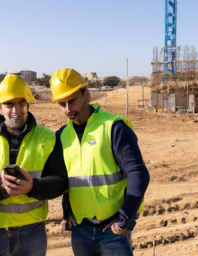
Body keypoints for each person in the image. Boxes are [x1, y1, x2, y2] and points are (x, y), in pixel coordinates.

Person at [50, 68, 150, 256]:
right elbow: (66, 180)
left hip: (112, 232)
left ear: (87, 96)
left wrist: (125, 218)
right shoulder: (62, 136)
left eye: (72, 100)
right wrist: (67, 213)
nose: (68, 109)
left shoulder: (113, 127)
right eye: (62, 104)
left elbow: (139, 174)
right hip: (81, 230)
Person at [0, 75, 68, 256]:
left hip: (32, 232)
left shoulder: (47, 137)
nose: (16, 110)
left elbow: (60, 181)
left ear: (28, 105)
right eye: (9, 104)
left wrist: (32, 187)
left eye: (21, 103)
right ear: (0, 107)